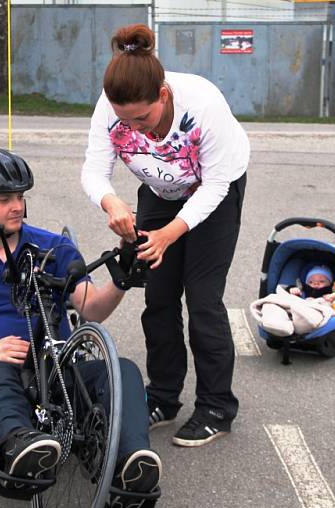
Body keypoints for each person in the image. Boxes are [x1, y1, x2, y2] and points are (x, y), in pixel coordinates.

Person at [0, 148, 160, 508]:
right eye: (4, 199)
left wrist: (122, 279)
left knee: (121, 371)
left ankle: (128, 466)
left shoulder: (52, 248)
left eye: (20, 197)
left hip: (55, 364)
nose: (17, 207)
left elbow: (91, 308)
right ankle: (17, 447)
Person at [80, 24, 250, 447]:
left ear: (163, 96)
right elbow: (93, 171)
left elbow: (215, 186)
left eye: (143, 118)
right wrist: (112, 203)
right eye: (125, 121)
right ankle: (163, 396)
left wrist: (170, 234)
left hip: (214, 190)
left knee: (202, 297)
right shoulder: (110, 105)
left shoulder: (204, 103)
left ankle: (215, 406)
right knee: (158, 296)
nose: (135, 130)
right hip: (160, 189)